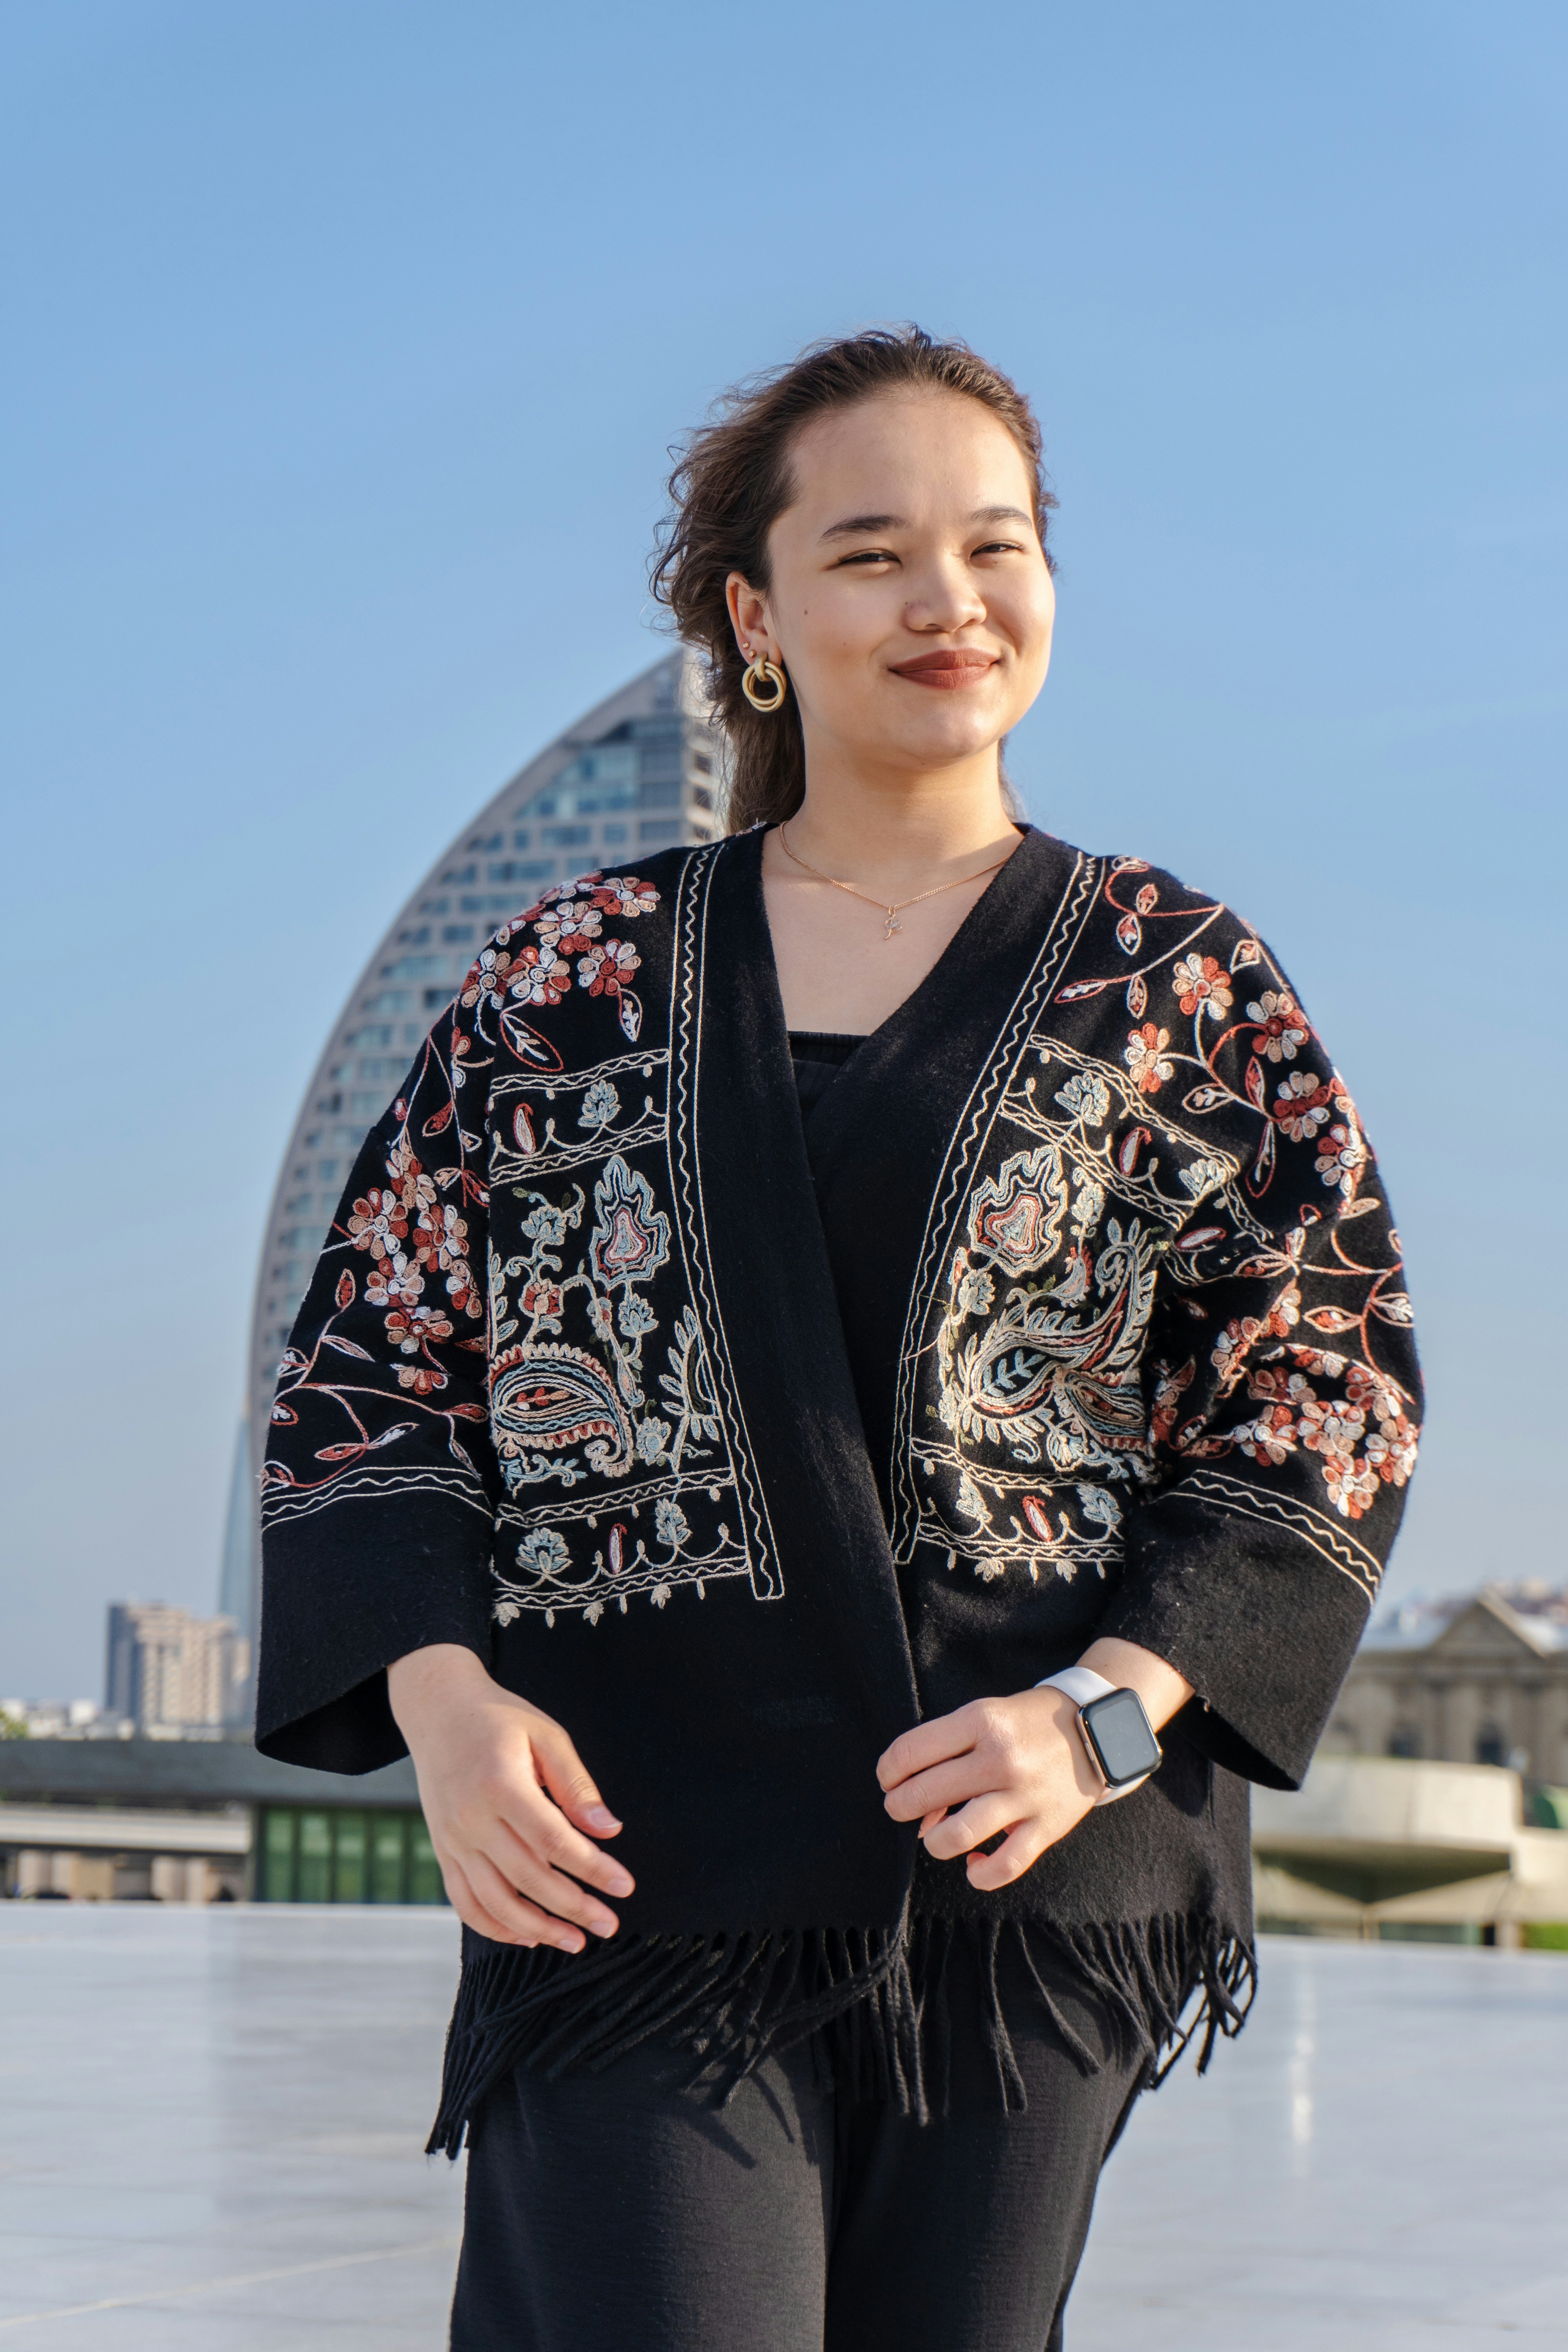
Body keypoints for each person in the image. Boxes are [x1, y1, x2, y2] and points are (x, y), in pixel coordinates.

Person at [256, 327, 1421, 2351]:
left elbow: (1327, 1390)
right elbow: (375, 1349)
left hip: (1033, 1883)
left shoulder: (1180, 985)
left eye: (997, 544)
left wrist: (1109, 1715)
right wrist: (440, 1705)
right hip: (635, 1874)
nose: (948, 600)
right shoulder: (573, 976)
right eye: (872, 551)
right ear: (758, 613)